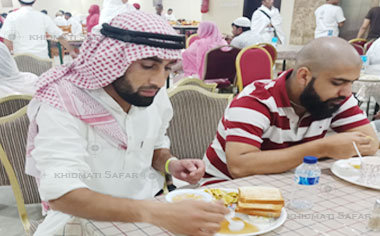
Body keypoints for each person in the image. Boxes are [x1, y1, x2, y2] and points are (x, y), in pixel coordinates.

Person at [26, 10, 228, 236]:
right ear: (114, 59)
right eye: (148, 65)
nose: (160, 81)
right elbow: (61, 195)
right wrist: (155, 214)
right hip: (82, 220)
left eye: (168, 68)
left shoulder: (152, 93)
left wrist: (171, 164)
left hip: (151, 207)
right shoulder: (64, 102)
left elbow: (154, 146)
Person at [202, 37, 379, 185]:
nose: (347, 92)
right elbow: (240, 167)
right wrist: (322, 148)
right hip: (226, 186)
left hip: (286, 181)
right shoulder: (255, 101)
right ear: (304, 76)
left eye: (352, 82)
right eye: (337, 82)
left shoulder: (336, 99)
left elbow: (370, 143)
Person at [0, 0, 76, 59]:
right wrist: (71, 51)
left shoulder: (11, 17)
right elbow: (59, 36)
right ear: (35, 0)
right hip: (43, 61)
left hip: (21, 61)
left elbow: (7, 41)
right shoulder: (43, 17)